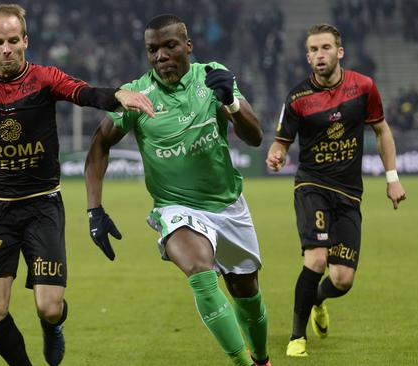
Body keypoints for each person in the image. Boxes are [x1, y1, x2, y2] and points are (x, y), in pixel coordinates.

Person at [0, 4, 154, 366]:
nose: (6, 49)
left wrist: (118, 96)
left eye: (12, 40)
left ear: (25, 40)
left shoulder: (44, 77)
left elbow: (83, 93)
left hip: (41, 207)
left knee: (50, 308)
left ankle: (53, 326)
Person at [85, 14, 271, 366]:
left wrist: (230, 101)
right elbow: (99, 144)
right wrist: (95, 209)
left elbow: (255, 137)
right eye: (152, 50)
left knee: (246, 294)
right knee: (200, 272)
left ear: (188, 46)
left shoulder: (213, 76)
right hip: (175, 207)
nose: (160, 56)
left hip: (228, 205)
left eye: (169, 46)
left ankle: (261, 358)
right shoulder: (138, 95)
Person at [265, 23, 407, 358]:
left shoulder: (364, 88)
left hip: (349, 193)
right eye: (313, 50)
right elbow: (281, 141)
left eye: (325, 48)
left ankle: (317, 300)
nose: (319, 55)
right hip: (312, 185)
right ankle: (296, 338)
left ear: (339, 52)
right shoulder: (298, 97)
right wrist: (277, 154)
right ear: (307, 56)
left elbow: (382, 131)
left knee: (342, 279)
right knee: (315, 260)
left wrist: (392, 177)